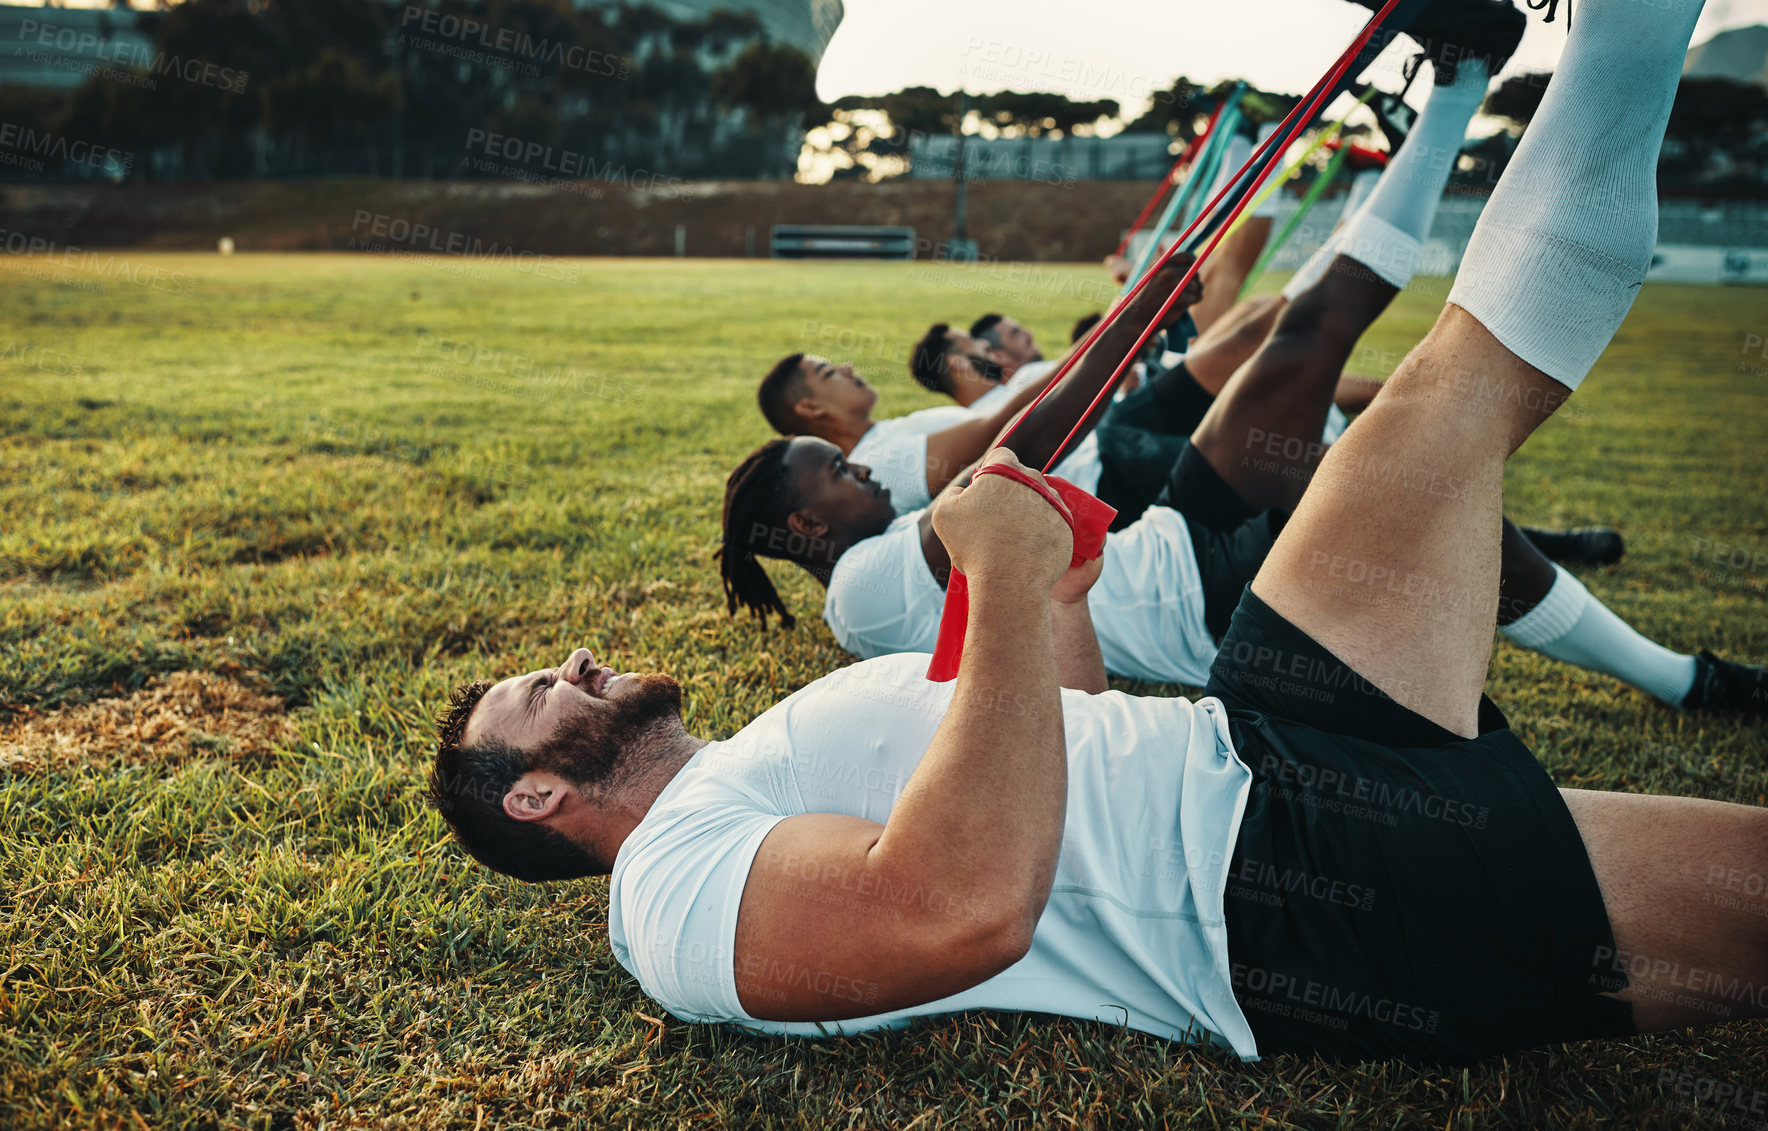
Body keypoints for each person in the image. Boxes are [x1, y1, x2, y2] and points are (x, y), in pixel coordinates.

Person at [430, 0, 1767, 1066]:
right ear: (537, 796)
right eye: (539, 698)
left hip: (1253, 728)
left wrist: (1059, 602)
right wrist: (1007, 586)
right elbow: (963, 910)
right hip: (1277, 889)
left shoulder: (753, 764)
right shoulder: (663, 900)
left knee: (1456, 385)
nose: (575, 664)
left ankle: (1629, 19)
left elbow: (1041, 743)